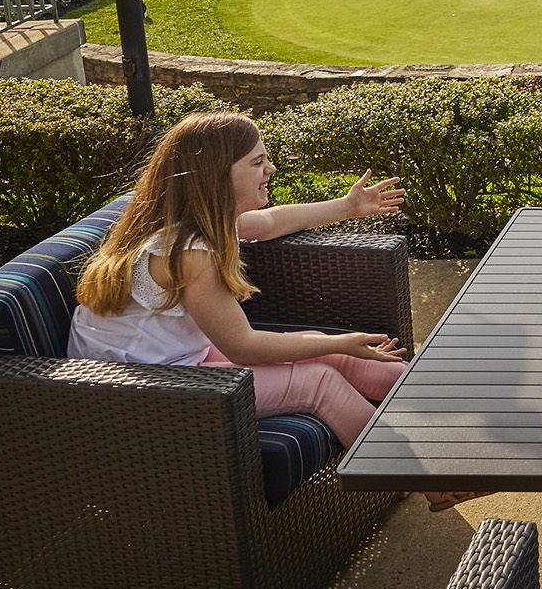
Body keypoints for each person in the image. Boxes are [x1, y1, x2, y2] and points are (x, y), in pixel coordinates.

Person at [69, 111, 490, 513]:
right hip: (132, 389)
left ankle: (469, 421)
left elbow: (270, 224)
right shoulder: (188, 252)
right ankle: (437, 484)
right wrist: (339, 339)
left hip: (175, 360)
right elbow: (243, 346)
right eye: (257, 161)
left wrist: (347, 206)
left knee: (334, 355)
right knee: (319, 380)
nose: (270, 169)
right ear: (218, 175)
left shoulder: (201, 221)